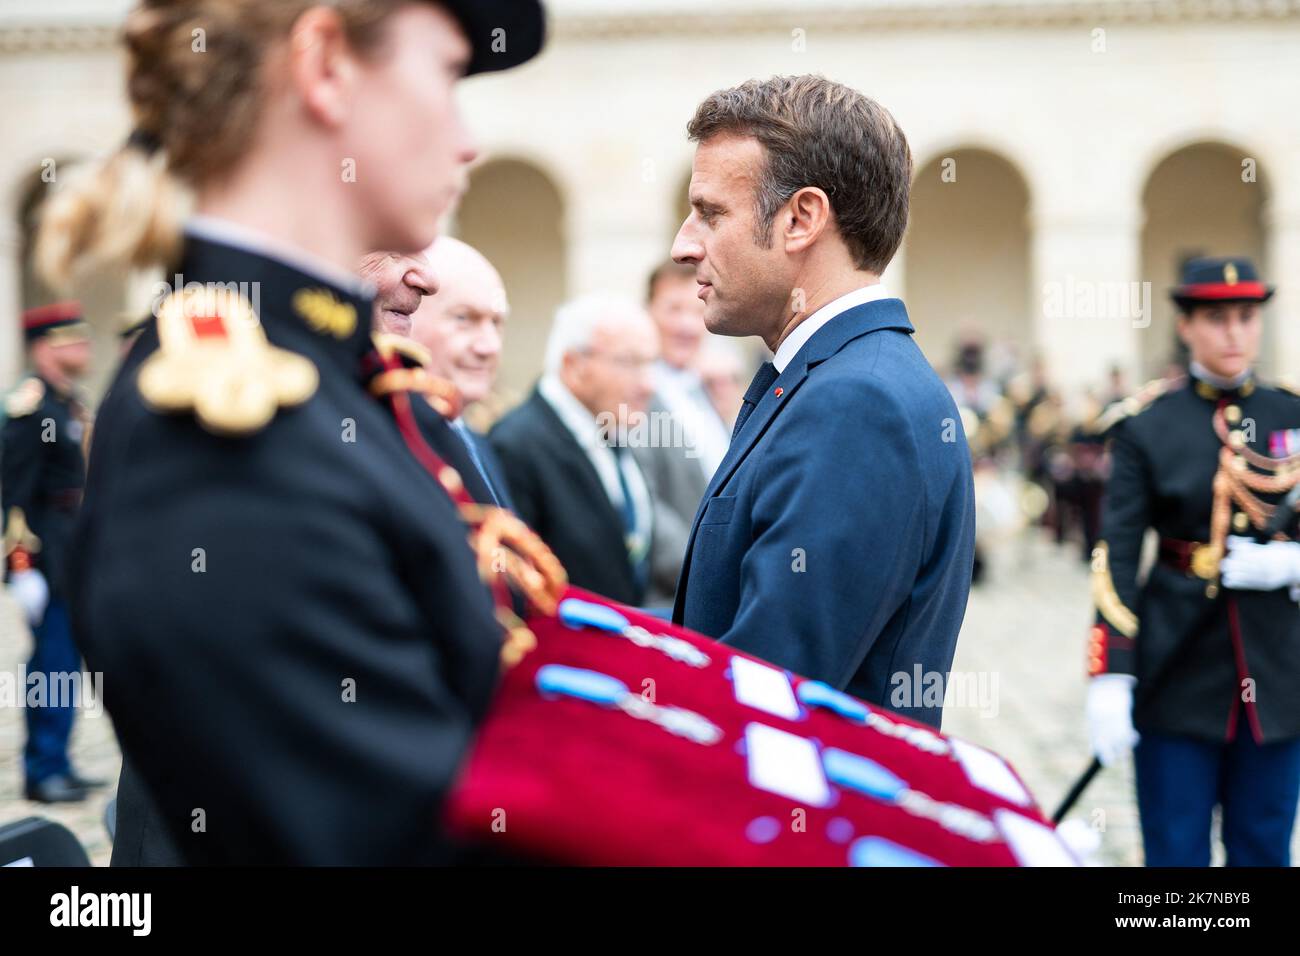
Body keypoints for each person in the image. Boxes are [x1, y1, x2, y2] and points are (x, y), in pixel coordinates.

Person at [35, 0, 548, 865]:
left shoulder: (332, 376)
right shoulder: (226, 418)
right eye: (447, 76)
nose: (466, 140)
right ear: (324, 66)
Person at [669, 75, 975, 730]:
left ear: (801, 219)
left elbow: (767, 691)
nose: (684, 244)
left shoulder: (857, 402)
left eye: (711, 213)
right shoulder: (836, 378)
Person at [1086, 256, 1300, 867]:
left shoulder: (1292, 414)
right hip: (1176, 665)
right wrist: (1111, 671)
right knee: (1175, 852)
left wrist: (1293, 566)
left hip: (1278, 674)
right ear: (1186, 325)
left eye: (1246, 317)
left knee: (1264, 847)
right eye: (1217, 318)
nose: (1234, 333)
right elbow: (1117, 555)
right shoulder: (1146, 425)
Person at [489, 295, 657, 606]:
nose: (649, 384)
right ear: (573, 364)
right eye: (630, 363)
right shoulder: (516, 445)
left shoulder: (611, 427)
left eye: (650, 363)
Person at [2, 302, 103, 804]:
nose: (84, 347)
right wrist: (21, 568)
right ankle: (42, 769)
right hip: (47, 555)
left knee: (67, 665)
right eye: (72, 340)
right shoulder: (32, 406)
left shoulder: (67, 403)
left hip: (75, 549)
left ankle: (59, 759)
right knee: (51, 664)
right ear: (44, 347)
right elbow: (13, 494)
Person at [633, 260, 732, 606]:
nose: (687, 325)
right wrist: (713, 575)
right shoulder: (633, 395)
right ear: (647, 313)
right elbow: (644, 504)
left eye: (696, 310)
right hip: (671, 598)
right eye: (673, 309)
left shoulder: (708, 392)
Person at [408, 236, 514, 508]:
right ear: (406, 314)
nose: (489, 346)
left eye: (497, 323)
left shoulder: (475, 442)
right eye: (464, 318)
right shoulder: (390, 443)